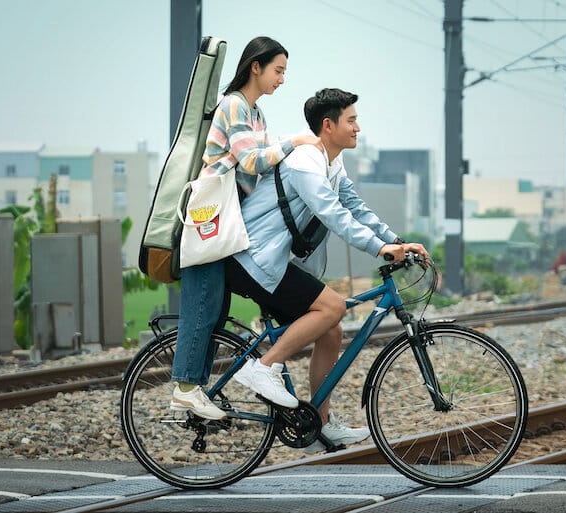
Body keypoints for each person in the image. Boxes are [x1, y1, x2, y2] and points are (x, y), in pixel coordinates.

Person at [226, 88, 430, 451]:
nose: (358, 128)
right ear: (328, 125)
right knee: (333, 307)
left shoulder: (332, 162)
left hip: (270, 261)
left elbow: (356, 207)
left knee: (332, 331)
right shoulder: (306, 160)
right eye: (351, 121)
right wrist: (380, 249)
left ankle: (320, 425)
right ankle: (264, 367)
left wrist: (396, 240)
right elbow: (331, 212)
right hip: (253, 259)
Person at [169, 37, 320, 421]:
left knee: (216, 308)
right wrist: (297, 141)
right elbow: (252, 161)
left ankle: (196, 390)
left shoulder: (255, 113)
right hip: (210, 220)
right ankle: (185, 388)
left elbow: (264, 163)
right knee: (202, 307)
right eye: (278, 70)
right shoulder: (235, 104)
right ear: (256, 66)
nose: (282, 79)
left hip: (226, 223)